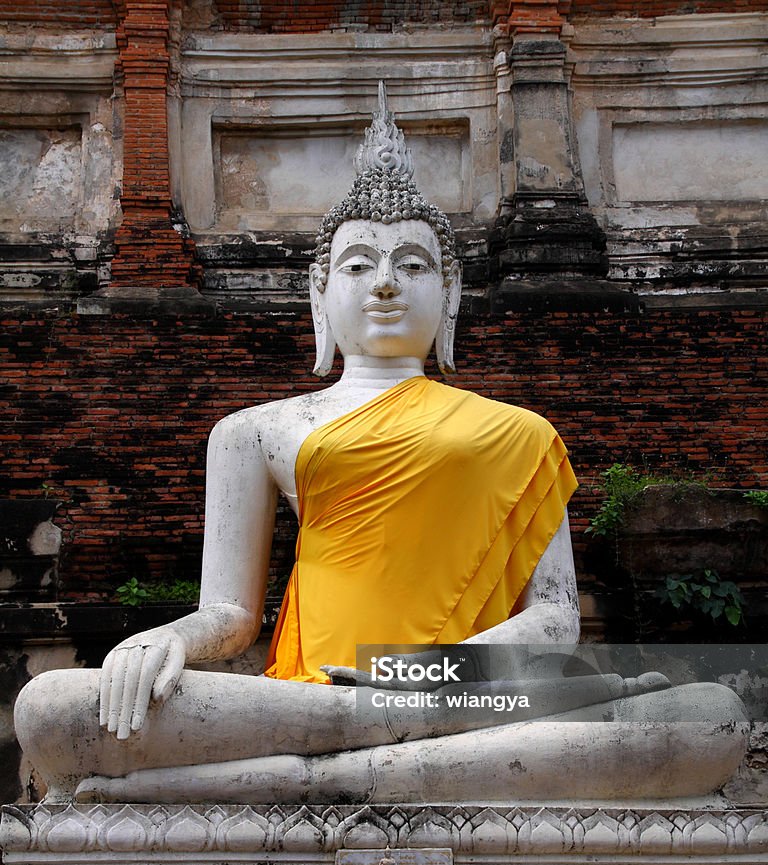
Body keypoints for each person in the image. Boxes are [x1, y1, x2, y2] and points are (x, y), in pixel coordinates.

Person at [14, 86, 748, 805]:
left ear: (451, 294)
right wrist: (166, 638)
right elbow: (232, 616)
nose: (386, 284)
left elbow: (553, 618)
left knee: (709, 718)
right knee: (51, 710)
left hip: (464, 691)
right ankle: (367, 758)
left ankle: (309, 779)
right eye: (359, 264)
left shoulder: (521, 432)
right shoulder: (255, 431)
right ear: (320, 293)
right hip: (307, 700)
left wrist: (414, 678)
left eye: (415, 265)